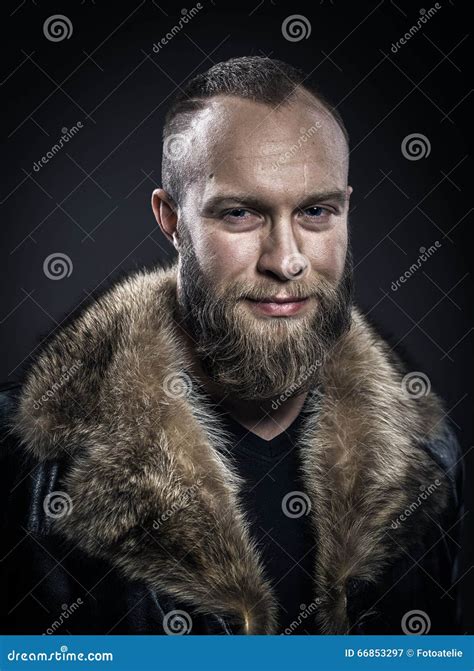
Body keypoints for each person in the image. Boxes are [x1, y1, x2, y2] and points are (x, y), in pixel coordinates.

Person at [1, 56, 463, 636]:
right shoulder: (29, 462)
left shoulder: (429, 456)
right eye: (240, 213)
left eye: (317, 212)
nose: (286, 260)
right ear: (171, 219)